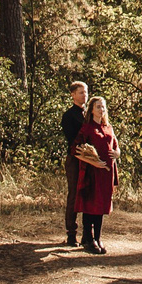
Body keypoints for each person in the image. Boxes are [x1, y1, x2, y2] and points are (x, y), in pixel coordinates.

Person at [73, 96, 119, 254]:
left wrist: (117, 153)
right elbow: (76, 151)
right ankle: (88, 239)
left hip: (107, 173)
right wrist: (94, 163)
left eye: (103, 107)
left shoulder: (108, 128)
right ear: (91, 109)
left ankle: (98, 238)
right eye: (98, 106)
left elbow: (116, 147)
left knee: (101, 206)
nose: (102, 109)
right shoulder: (87, 128)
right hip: (92, 173)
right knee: (90, 205)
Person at [61, 81, 89, 247]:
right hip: (75, 159)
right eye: (80, 93)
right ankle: (71, 233)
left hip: (89, 159)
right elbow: (72, 139)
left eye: (85, 92)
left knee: (88, 195)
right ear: (72, 94)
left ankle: (88, 234)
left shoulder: (89, 113)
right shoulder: (69, 115)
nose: (84, 96)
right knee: (74, 195)